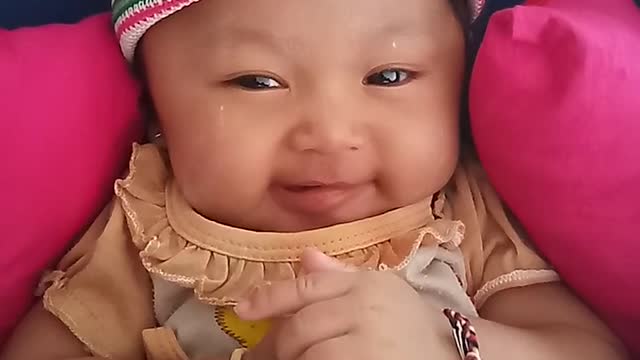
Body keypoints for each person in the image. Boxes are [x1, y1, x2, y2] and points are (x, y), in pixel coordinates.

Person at [0, 0, 628, 359]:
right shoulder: (149, 233)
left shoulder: (458, 216)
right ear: (158, 107)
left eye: (388, 76)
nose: (330, 133)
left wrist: (448, 342)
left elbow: (589, 350)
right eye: (257, 82)